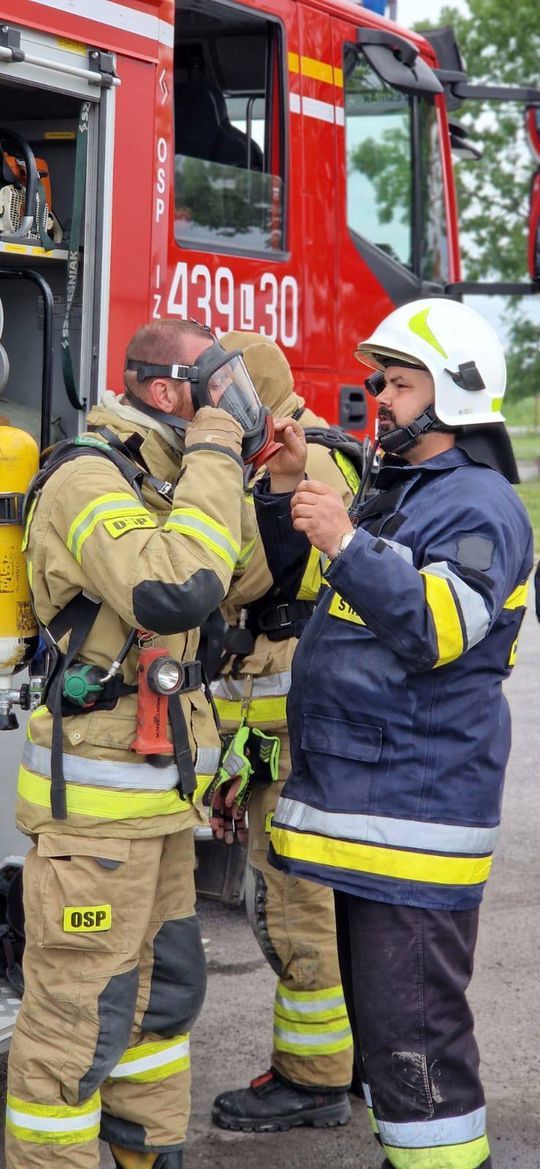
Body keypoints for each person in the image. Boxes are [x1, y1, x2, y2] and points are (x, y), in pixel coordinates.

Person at [253, 297, 533, 1169]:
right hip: (379, 814)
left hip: (416, 818)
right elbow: (307, 594)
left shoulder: (480, 505)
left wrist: (345, 540)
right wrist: (290, 489)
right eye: (379, 383)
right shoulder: (406, 493)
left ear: (454, 394)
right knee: (389, 1046)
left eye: (400, 385)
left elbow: (439, 626)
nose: (379, 399)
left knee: (419, 1051)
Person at [5, 318, 266, 1169]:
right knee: (76, 1018)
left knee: (161, 997)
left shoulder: (171, 477)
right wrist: (217, 451)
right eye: (215, 389)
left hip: (157, 811)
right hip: (95, 820)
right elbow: (172, 588)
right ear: (164, 391)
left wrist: (252, 473)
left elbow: (242, 578)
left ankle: (147, 1152)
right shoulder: (88, 477)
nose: (231, 404)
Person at [207, 332, 359, 1132]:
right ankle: (343, 1063)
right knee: (305, 900)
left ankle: (314, 1078)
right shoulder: (298, 454)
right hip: (279, 726)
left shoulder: (296, 467)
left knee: (296, 902)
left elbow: (240, 575)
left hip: (294, 726)